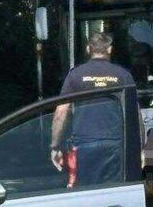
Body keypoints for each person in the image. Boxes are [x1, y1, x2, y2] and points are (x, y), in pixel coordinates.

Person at [50, 32, 137, 188]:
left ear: (88, 49)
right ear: (109, 50)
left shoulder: (75, 75)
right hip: (115, 143)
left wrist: (55, 146)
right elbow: (134, 114)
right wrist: (140, 147)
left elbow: (60, 113)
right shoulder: (123, 75)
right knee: (114, 190)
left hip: (84, 143)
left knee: (85, 190)